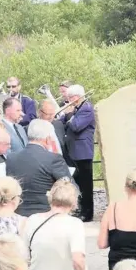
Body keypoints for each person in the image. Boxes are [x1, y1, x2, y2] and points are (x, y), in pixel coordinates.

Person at [6, 119, 72, 217]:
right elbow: (70, 187)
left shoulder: (11, 158)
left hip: (17, 212)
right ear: (47, 139)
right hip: (46, 214)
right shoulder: (53, 159)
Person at [61, 84, 95, 222]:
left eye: (70, 97)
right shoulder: (77, 108)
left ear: (76, 97)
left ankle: (87, 213)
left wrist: (69, 114)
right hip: (74, 150)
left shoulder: (86, 108)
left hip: (83, 152)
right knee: (79, 182)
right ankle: (80, 208)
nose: (68, 100)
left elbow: (76, 126)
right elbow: (64, 122)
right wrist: (65, 115)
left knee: (86, 185)